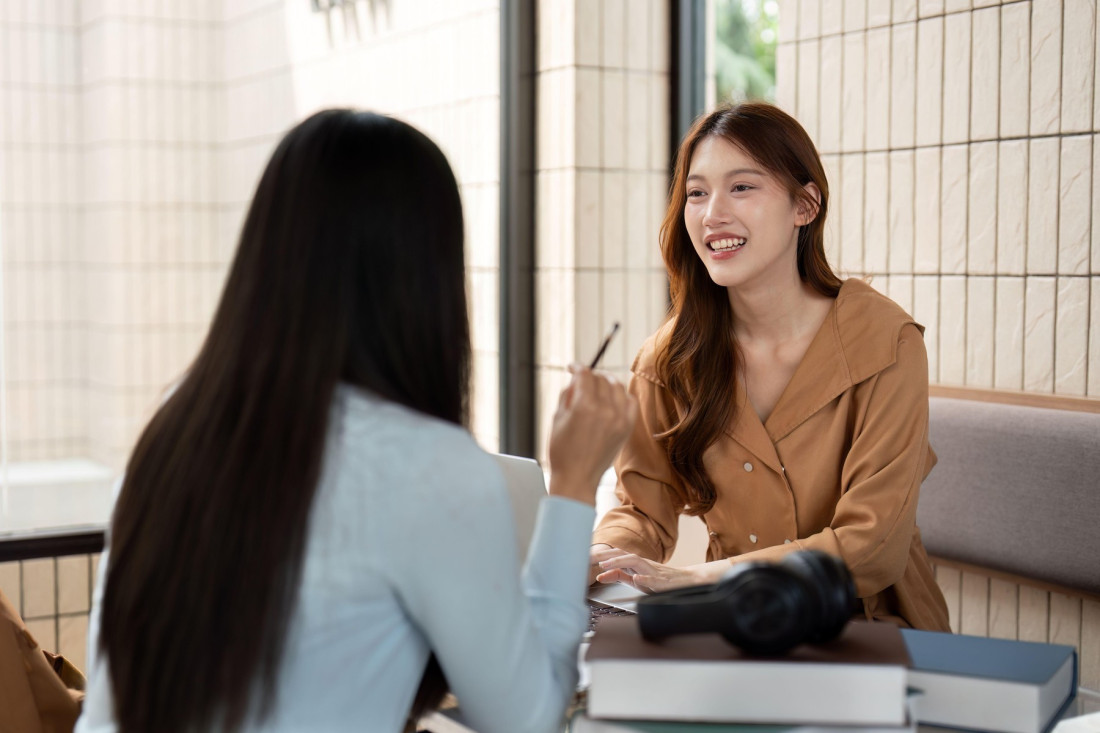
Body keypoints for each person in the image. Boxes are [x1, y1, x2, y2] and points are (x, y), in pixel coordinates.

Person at [76, 109, 637, 733]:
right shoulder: (425, 463)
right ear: (425, 277)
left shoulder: (177, 425)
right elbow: (527, 718)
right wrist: (574, 484)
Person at [589, 102, 950, 632]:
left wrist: (701, 579)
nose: (712, 214)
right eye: (696, 192)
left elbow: (871, 548)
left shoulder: (886, 343)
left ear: (804, 205)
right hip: (734, 628)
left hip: (869, 633)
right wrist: (598, 558)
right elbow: (641, 510)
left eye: (742, 187)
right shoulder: (666, 362)